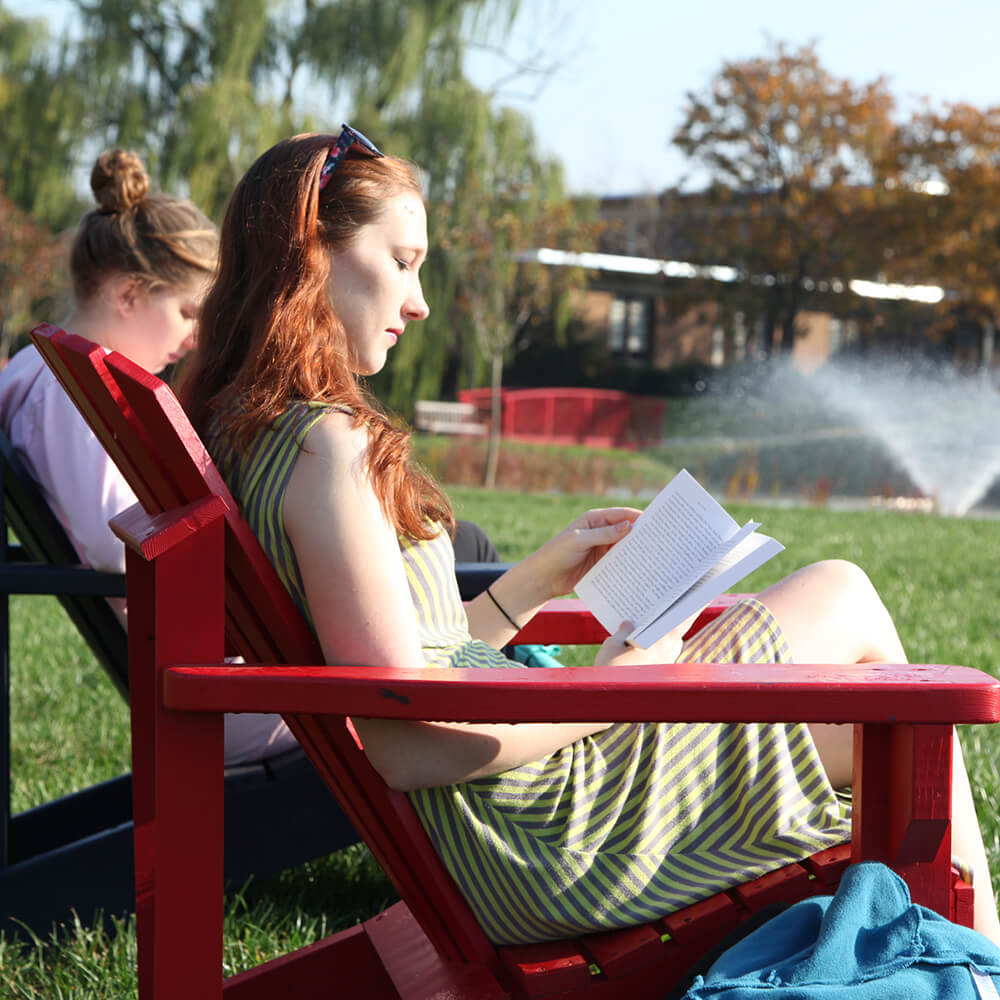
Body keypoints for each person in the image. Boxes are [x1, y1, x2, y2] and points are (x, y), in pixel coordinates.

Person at [178, 126, 1000, 946]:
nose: (420, 300)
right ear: (312, 254)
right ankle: (982, 955)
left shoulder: (266, 433)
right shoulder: (327, 445)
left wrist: (534, 581)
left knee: (864, 666)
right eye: (402, 261)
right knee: (863, 636)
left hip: (519, 814)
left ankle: (966, 952)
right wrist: (622, 687)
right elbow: (406, 741)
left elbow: (405, 669)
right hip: (544, 841)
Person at [0, 148, 297, 766]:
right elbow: (117, 543)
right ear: (130, 292)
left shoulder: (50, 373)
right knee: (420, 641)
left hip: (199, 658)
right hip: (205, 683)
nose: (196, 336)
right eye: (188, 311)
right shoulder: (65, 391)